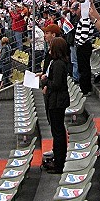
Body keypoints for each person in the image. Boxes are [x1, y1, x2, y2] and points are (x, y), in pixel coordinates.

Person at [41, 37, 71, 174]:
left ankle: (59, 163)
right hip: (55, 100)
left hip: (57, 101)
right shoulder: (57, 62)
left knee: (58, 132)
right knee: (57, 131)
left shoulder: (58, 64)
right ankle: (58, 159)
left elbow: (57, 84)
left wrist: (46, 82)